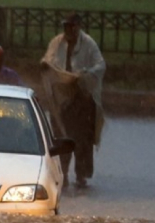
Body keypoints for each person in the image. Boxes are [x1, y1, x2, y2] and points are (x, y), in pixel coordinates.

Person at [41, 12, 106, 189]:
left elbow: (100, 65)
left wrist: (84, 75)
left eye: (72, 26)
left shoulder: (89, 44)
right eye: (66, 26)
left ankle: (80, 175)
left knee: (81, 139)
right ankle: (62, 174)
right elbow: (48, 60)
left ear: (78, 27)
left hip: (82, 99)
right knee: (61, 137)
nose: (69, 30)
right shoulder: (57, 42)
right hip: (62, 100)